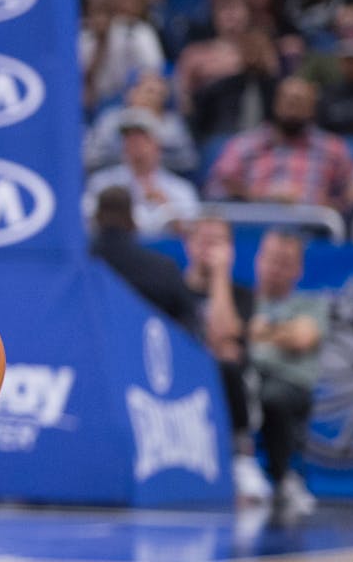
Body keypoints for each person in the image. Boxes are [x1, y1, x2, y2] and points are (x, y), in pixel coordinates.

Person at [181, 214, 268, 503]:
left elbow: (224, 335)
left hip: (226, 387)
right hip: (178, 383)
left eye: (217, 242)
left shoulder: (242, 295)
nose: (209, 249)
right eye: (203, 240)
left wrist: (220, 276)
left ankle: (240, 456)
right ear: (188, 244)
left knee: (228, 360)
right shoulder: (170, 288)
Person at [249, 229, 327, 517]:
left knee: (273, 398)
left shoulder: (312, 304)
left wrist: (259, 331)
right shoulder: (244, 298)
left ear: (298, 269)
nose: (276, 269)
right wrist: (280, 332)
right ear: (258, 260)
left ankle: (283, 479)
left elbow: (302, 338)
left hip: (290, 384)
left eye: (285, 262)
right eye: (272, 260)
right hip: (248, 381)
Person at [205, 76, 353, 209]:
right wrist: (255, 196)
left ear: (312, 108)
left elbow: (347, 201)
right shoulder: (244, 144)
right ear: (276, 104)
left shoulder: (333, 149)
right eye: (288, 101)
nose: (293, 108)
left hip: (313, 230)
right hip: (254, 227)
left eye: (299, 101)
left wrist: (310, 203)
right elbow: (215, 191)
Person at [88, 186, 198, 330]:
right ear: (132, 221)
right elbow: (188, 321)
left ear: (96, 219)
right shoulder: (162, 268)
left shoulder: (80, 266)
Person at [85, 110, 199, 235]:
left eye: (142, 139)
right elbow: (88, 220)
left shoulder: (180, 188)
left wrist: (166, 207)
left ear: (157, 145)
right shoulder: (103, 182)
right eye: (129, 139)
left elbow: (192, 233)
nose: (135, 145)